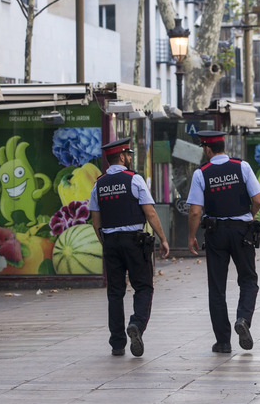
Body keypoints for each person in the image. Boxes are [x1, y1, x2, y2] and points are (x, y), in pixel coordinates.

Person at [89, 137, 170, 357]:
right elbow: (150, 212)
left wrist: (105, 243)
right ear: (123, 156)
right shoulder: (134, 179)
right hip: (135, 242)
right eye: (129, 155)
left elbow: (96, 222)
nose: (130, 158)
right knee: (143, 287)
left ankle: (117, 343)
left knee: (115, 293)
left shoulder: (98, 184)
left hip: (111, 243)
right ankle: (136, 325)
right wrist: (163, 238)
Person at [186, 131, 260, 353]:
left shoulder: (202, 173)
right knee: (248, 279)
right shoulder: (242, 166)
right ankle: (243, 319)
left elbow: (194, 211)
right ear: (223, 146)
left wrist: (192, 237)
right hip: (242, 232)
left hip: (215, 232)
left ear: (208, 149)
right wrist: (250, 215)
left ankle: (223, 342)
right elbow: (258, 199)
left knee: (217, 287)